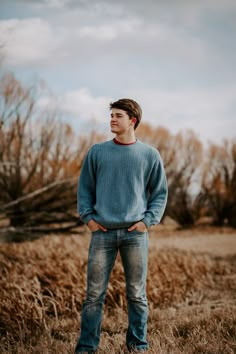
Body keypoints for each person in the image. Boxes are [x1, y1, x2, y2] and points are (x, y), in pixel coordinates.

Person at [75, 98, 168, 353]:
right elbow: (84, 190)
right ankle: (86, 347)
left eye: (118, 116)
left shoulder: (149, 155)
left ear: (132, 121)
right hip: (102, 233)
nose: (112, 120)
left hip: (135, 235)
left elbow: (160, 193)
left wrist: (147, 222)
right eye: (111, 115)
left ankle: (137, 345)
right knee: (94, 296)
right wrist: (89, 220)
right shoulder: (97, 152)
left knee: (137, 295)